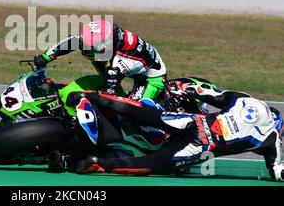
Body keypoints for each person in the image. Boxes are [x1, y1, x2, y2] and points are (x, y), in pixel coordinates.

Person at [67, 87, 284, 182]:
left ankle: (90, 96)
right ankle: (99, 163)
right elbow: (278, 172)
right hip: (201, 146)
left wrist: (185, 90)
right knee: (150, 164)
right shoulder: (271, 138)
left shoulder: (246, 99)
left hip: (195, 122)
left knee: (148, 113)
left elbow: (210, 94)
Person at [33, 19, 167, 105]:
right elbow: (72, 41)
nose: (85, 50)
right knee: (105, 81)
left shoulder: (118, 63)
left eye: (91, 49)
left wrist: (88, 97)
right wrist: (45, 57)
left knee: (134, 110)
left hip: (151, 78)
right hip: (129, 62)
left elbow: (108, 96)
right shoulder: (105, 36)